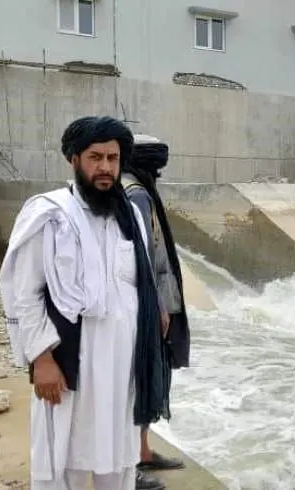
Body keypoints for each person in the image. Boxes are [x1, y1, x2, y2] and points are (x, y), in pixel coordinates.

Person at [0, 116, 170, 490]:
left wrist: (155, 307)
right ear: (73, 159)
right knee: (65, 459)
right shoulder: (49, 214)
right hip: (71, 364)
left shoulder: (129, 216)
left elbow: (136, 280)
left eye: (113, 158)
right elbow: (25, 293)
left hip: (122, 366)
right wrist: (41, 358)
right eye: (95, 157)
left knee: (118, 459)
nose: (105, 167)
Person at [121, 134, 191, 489]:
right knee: (141, 382)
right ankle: (128, 463)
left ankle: (142, 452)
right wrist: (158, 306)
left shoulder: (130, 187)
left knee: (146, 378)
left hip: (144, 303)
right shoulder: (136, 192)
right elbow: (143, 256)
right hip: (147, 306)